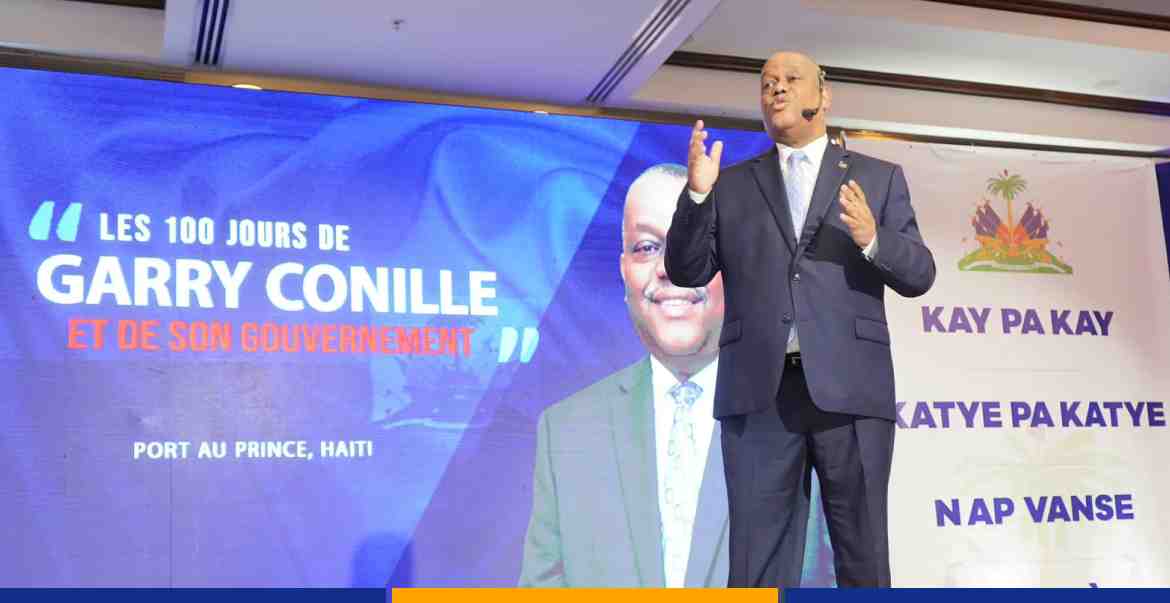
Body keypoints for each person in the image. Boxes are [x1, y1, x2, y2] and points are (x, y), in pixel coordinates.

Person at [664, 51, 936, 588]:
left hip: (851, 391)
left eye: (791, 79)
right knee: (757, 564)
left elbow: (920, 274)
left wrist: (873, 239)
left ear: (823, 96)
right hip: (759, 394)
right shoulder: (732, 184)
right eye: (767, 83)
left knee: (863, 556)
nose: (777, 89)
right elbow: (687, 270)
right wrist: (696, 194)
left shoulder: (877, 177)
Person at [518, 164, 812, 587]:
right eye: (646, 247)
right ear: (624, 270)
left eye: (695, 242)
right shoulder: (565, 430)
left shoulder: (801, 422)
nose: (670, 267)